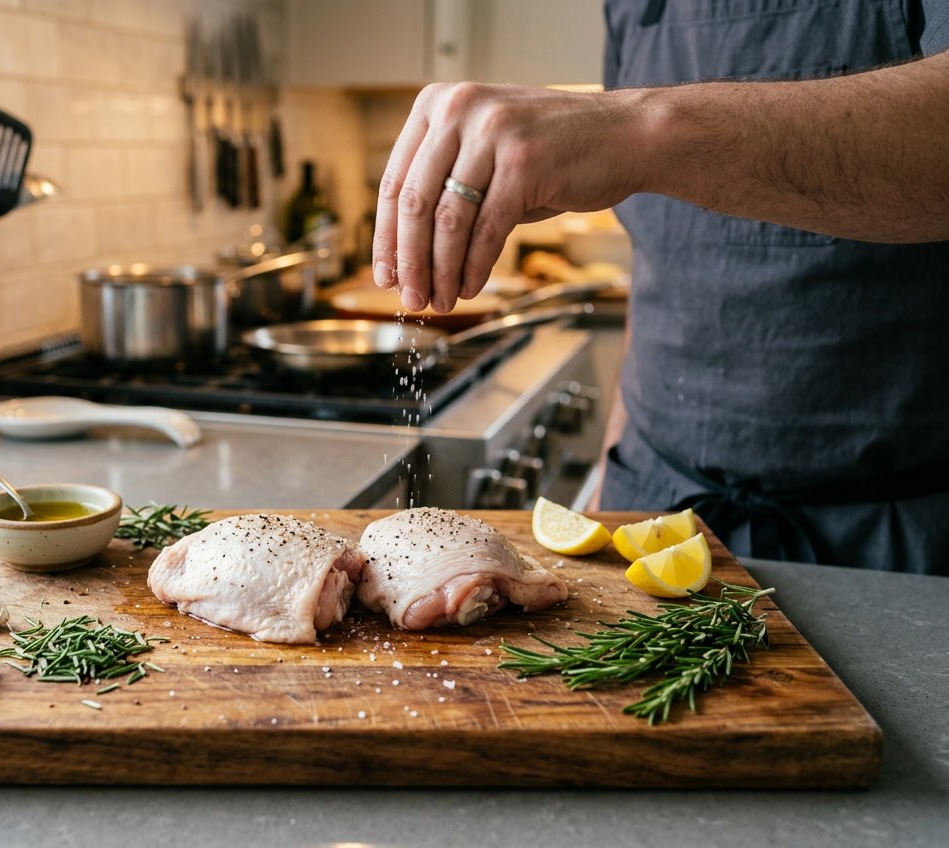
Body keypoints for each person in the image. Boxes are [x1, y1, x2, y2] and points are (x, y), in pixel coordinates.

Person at [371, 1, 949, 573]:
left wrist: (645, 128)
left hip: (892, 533)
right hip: (653, 497)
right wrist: (609, 483)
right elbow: (662, 264)